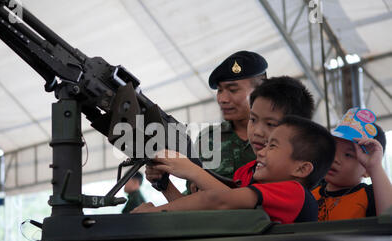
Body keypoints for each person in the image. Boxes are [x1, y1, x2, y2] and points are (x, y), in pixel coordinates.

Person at [133, 116, 336, 225]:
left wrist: (153, 214)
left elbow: (217, 200)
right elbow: (197, 218)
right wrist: (165, 185)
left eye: (272, 146)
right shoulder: (254, 189)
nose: (261, 153)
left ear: (301, 168)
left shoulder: (295, 192)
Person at [145, 76, 315, 201]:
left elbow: (229, 205)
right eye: (253, 120)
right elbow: (202, 213)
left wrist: (194, 172)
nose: (257, 131)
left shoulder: (295, 186)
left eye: (270, 124)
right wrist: (164, 185)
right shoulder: (248, 171)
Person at [146, 51, 268, 199]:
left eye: (233, 90)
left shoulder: (281, 136)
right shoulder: (208, 139)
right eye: (220, 90)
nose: (222, 99)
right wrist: (163, 183)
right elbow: (194, 209)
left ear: (261, 90)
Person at [312, 121, 392, 221]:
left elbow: (388, 218)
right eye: (333, 149)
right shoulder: (310, 194)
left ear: (367, 170)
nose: (335, 158)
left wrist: (374, 166)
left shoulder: (371, 196)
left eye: (348, 154)